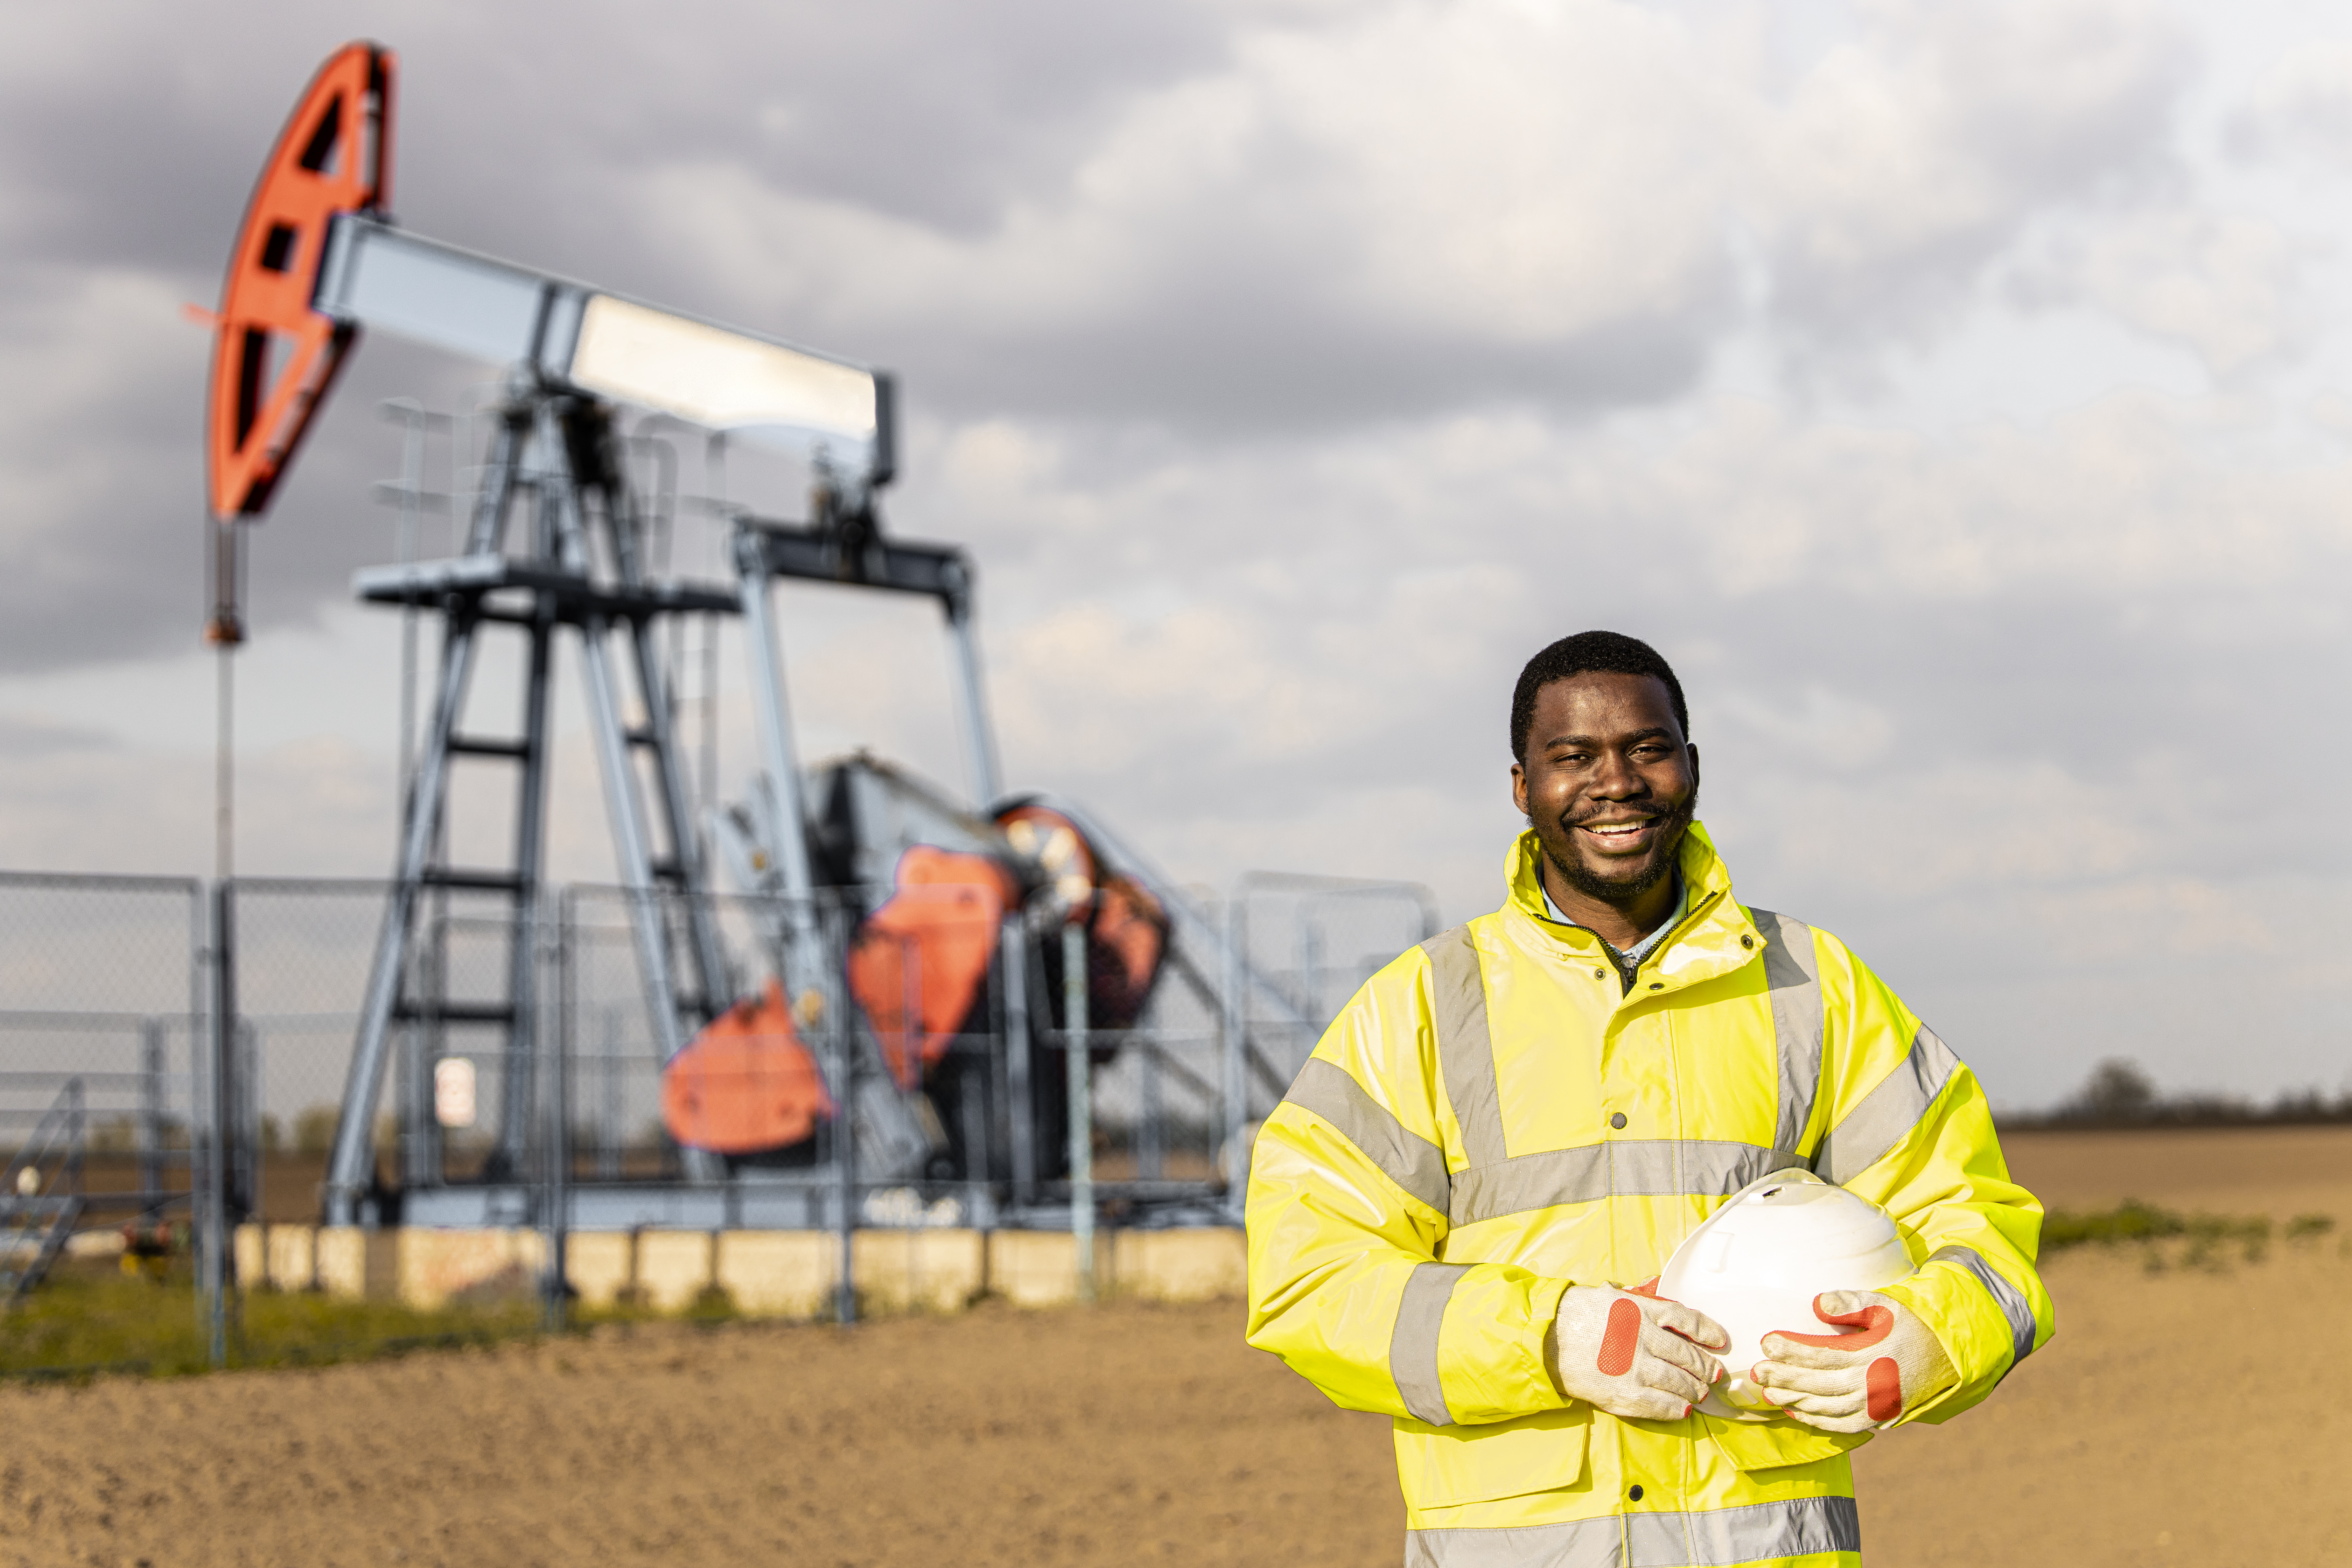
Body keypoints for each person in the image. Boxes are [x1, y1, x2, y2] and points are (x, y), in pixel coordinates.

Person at [1244, 630, 2050, 1568]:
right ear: (1521, 788)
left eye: (1647, 749)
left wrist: (1929, 1340)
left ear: (1692, 768)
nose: (1615, 782)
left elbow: (1977, 1224)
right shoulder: (1421, 1008)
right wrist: (1548, 1341)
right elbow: (1308, 1277)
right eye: (1572, 757)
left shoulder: (1814, 988)